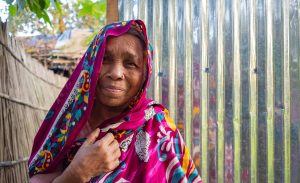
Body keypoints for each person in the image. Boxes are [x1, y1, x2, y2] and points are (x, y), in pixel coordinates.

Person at [28, 19, 202, 183]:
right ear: (92, 63)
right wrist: (77, 173)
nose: (116, 73)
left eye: (130, 64)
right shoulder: (67, 124)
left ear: (144, 74)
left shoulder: (159, 127)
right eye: (105, 59)